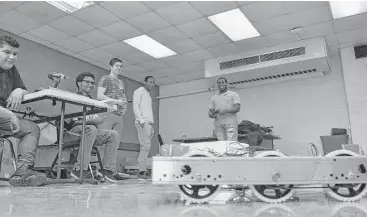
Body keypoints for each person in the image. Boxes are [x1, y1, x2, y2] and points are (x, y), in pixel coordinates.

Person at [0, 35, 47, 186]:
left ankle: (21, 172)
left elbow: (24, 90)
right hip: (5, 115)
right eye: (7, 52)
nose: (12, 57)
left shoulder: (11, 70)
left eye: (15, 54)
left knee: (32, 128)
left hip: (3, 119)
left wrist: (19, 90)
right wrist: (10, 114)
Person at [64, 72, 126, 182]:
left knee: (113, 134)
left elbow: (94, 120)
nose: (91, 85)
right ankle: (79, 169)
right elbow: (70, 121)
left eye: (93, 83)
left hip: (88, 131)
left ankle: (107, 170)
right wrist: (90, 120)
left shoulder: (92, 101)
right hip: (71, 132)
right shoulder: (71, 98)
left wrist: (101, 117)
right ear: (79, 83)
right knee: (91, 128)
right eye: (87, 82)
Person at [96, 58, 127, 136]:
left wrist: (124, 107)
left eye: (121, 66)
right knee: (103, 139)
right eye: (117, 66)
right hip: (107, 113)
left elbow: (123, 96)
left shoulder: (121, 82)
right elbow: (99, 96)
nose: (119, 68)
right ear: (110, 67)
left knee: (115, 142)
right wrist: (116, 102)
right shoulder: (105, 79)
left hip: (119, 115)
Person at [133, 76, 155, 179]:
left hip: (148, 123)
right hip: (143, 122)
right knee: (145, 146)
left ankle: (143, 170)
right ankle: (141, 172)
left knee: (147, 147)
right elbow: (135, 106)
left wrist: (151, 124)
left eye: (153, 83)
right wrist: (141, 121)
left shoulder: (148, 95)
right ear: (145, 82)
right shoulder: (139, 91)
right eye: (150, 82)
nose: (151, 84)